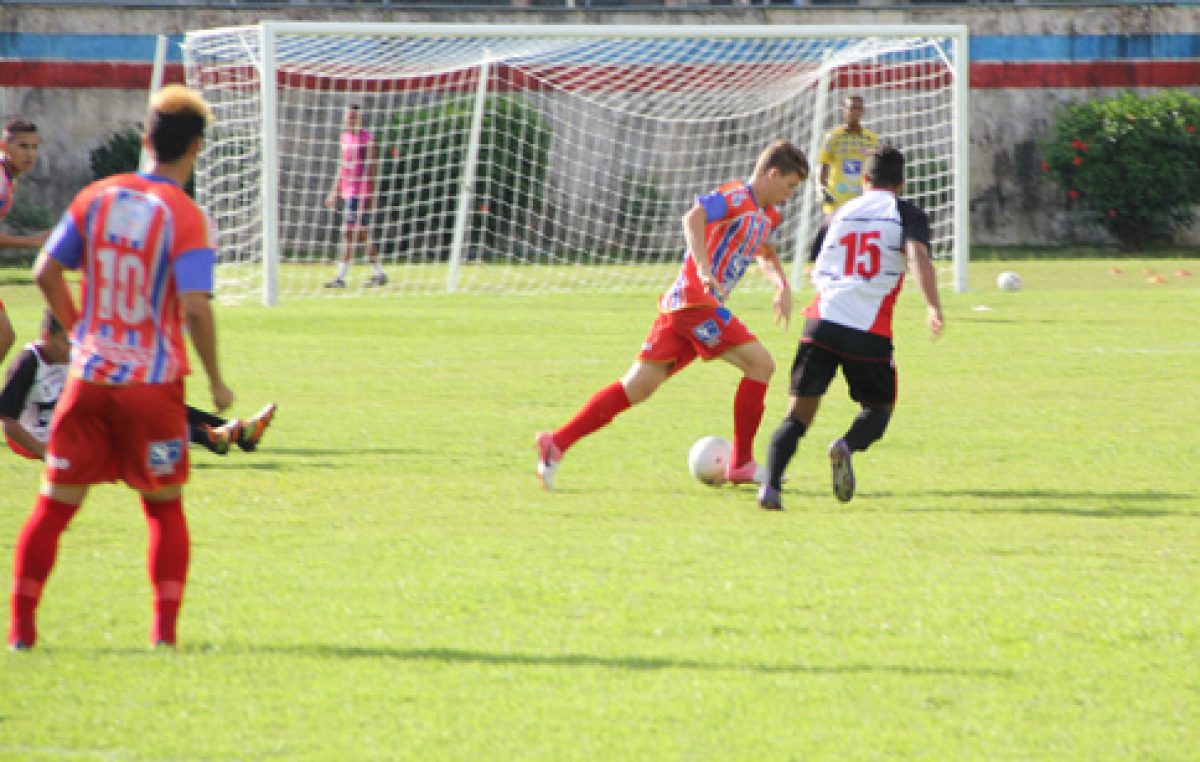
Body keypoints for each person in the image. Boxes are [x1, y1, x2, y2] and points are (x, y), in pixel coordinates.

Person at [7, 84, 233, 651]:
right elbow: (197, 306)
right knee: (162, 508)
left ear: (145, 138)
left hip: (89, 380)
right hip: (151, 388)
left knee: (55, 505)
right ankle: (164, 637)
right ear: (196, 148)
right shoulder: (184, 215)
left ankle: (21, 633)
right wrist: (216, 380)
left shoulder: (96, 197)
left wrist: (80, 329)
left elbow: (44, 272)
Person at [535, 139, 809, 491]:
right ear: (773, 174)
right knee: (761, 365)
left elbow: (764, 252)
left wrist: (781, 284)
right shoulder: (735, 198)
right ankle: (741, 463)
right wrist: (704, 268)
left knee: (637, 387)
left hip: (684, 309)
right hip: (696, 303)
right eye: (789, 186)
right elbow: (692, 217)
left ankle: (556, 443)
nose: (790, 195)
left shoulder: (768, 214)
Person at [758, 146, 944, 512]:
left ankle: (770, 487)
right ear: (902, 184)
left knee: (797, 415)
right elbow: (918, 256)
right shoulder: (906, 214)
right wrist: (933, 306)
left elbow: (818, 264)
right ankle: (846, 446)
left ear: (864, 180)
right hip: (867, 330)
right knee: (879, 409)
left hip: (820, 324)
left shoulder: (839, 214)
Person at [0, 311, 276, 460]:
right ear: (46, 336)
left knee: (151, 406)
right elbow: (8, 422)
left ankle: (234, 433)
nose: (69, 348)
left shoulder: (72, 356)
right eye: (64, 341)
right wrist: (46, 454)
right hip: (41, 440)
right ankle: (212, 437)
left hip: (74, 429)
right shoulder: (28, 363)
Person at [0, 119, 53, 365]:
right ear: (4, 146)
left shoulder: (8, 179)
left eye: (34, 147)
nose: (30, 154)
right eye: (23, 146)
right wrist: (32, 241)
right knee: (4, 336)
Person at [808, 96, 879, 263]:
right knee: (830, 230)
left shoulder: (870, 138)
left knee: (859, 231)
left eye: (858, 109)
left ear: (863, 112)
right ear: (844, 111)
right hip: (836, 195)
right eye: (851, 108)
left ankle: (855, 262)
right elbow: (823, 164)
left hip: (859, 195)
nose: (854, 112)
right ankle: (817, 261)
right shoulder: (833, 137)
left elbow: (874, 165)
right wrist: (821, 188)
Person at [324, 104, 387, 289]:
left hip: (360, 191)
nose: (351, 119)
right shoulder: (344, 138)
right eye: (348, 116)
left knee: (349, 232)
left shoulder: (367, 139)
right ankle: (378, 273)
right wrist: (334, 192)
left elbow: (373, 167)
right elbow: (342, 166)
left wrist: (373, 195)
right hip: (347, 190)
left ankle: (341, 278)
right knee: (358, 233)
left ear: (359, 118)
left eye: (354, 116)